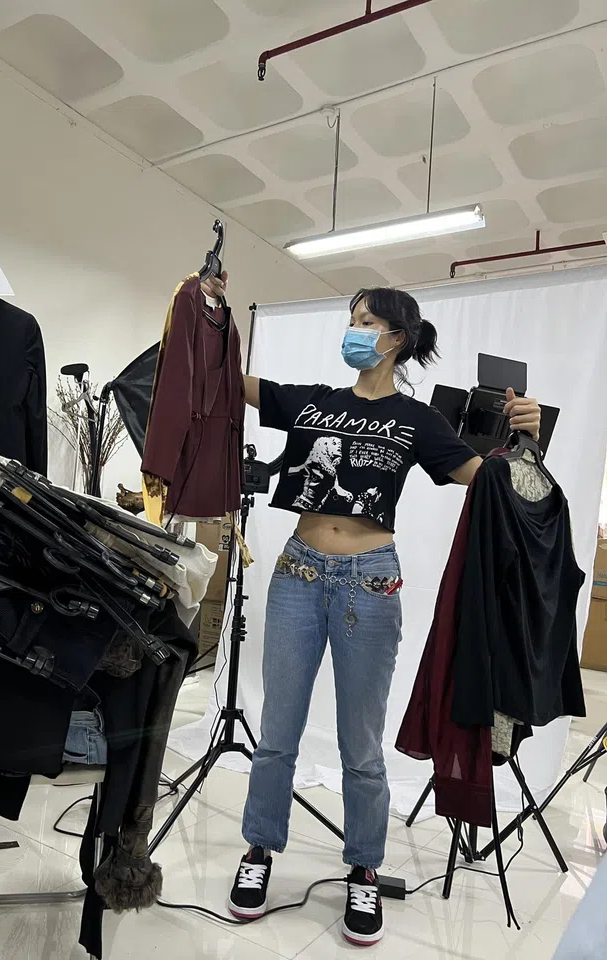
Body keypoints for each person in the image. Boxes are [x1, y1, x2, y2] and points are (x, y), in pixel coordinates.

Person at [201, 274, 542, 946]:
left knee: (361, 743)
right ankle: (259, 849)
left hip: (370, 583)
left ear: (397, 339)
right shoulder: (314, 401)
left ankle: (363, 866)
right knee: (278, 732)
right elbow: (227, 381)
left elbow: (491, 482)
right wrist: (206, 311)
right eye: (351, 319)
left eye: (365, 322)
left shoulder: (418, 421)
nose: (353, 332)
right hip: (298, 574)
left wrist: (526, 437)